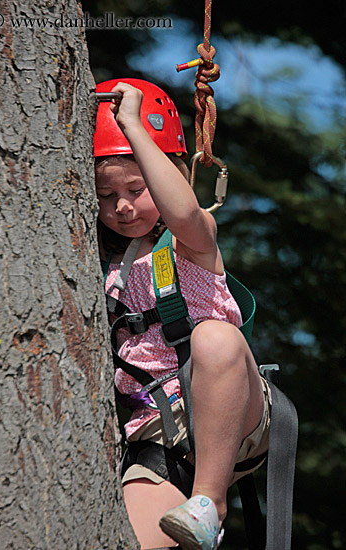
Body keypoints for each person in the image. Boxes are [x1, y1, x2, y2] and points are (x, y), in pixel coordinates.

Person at [94, 78, 271, 550]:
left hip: (225, 403)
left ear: (167, 173)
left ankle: (209, 504)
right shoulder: (101, 265)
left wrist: (132, 124)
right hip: (157, 429)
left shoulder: (192, 241)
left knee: (215, 337)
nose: (123, 206)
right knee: (131, 540)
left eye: (137, 187)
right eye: (106, 197)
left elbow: (184, 213)